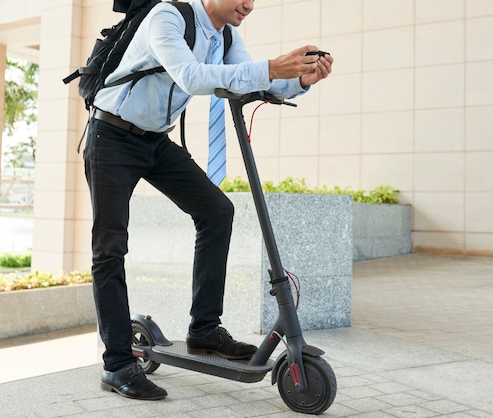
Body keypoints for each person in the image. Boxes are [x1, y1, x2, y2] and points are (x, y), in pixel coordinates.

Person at [84, 0, 333, 401]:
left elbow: (249, 81)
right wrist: (272, 66)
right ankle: (117, 364)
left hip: (154, 140)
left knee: (217, 211)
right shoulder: (167, 15)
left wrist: (300, 80)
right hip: (111, 135)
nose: (249, 4)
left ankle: (203, 330)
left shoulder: (228, 35)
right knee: (110, 248)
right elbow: (191, 76)